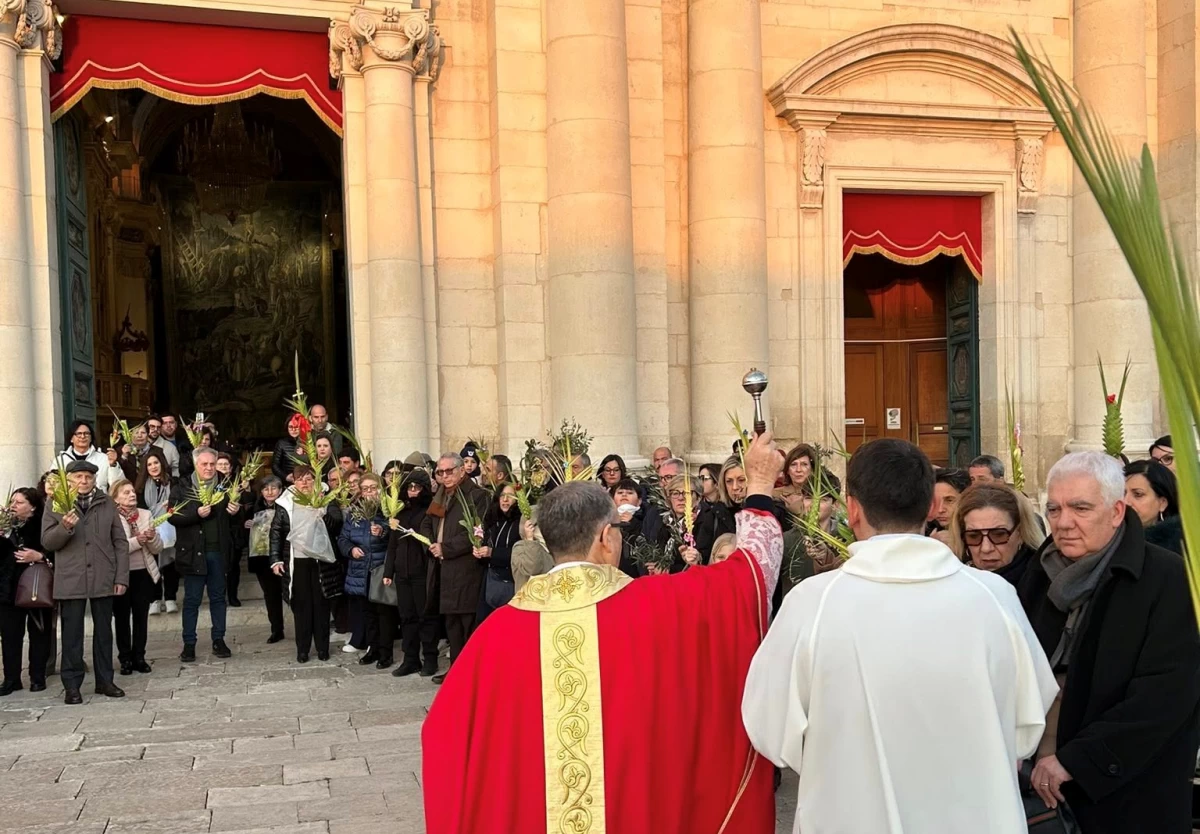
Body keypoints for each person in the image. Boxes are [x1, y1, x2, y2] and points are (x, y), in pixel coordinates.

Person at [423, 431, 784, 833]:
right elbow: (750, 578)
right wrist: (760, 486)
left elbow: (442, 737)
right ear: (605, 539)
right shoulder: (659, 607)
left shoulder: (494, 634)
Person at [743, 438, 1056, 834]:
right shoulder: (995, 598)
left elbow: (769, 728)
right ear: (930, 508)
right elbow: (1029, 720)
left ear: (852, 509)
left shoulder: (812, 605)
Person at [1019, 451, 1200, 833]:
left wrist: (1078, 761)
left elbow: (1166, 696)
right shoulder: (1038, 573)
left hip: (1129, 797)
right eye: (1054, 509)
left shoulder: (1168, 577)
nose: (1063, 522)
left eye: (1080, 508)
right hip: (1041, 794)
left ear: (1117, 512)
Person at [41, 460, 131, 704]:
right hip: (71, 577)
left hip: (103, 575)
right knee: (72, 635)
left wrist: (121, 576)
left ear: (94, 479)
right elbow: (47, 542)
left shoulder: (107, 502)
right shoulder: (55, 503)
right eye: (78, 477)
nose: (83, 481)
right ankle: (72, 686)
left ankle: (105, 681)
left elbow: (120, 542)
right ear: (69, 480)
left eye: (88, 477)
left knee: (104, 633)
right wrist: (64, 527)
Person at [419, 453, 490, 684]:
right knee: (451, 623)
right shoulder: (441, 494)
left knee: (467, 623)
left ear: (462, 470)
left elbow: (476, 532)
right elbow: (427, 522)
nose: (445, 476)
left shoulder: (477, 495)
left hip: (465, 568)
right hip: (442, 567)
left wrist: (446, 548)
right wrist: (432, 544)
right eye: (440, 472)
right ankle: (456, 671)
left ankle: (472, 674)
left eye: (449, 471)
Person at [270, 465, 344, 662]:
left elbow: (337, 524)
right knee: (301, 606)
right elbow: (276, 531)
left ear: (316, 480)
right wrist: (275, 559)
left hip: (321, 561)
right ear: (293, 481)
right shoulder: (285, 502)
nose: (304, 483)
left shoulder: (326, 498)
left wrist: (322, 512)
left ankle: (323, 648)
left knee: (321, 605)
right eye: (300, 479)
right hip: (297, 561)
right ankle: (302, 649)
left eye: (309, 479)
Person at [171, 447, 238, 663]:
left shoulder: (225, 485)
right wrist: (195, 513)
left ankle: (219, 639)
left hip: (218, 551)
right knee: (192, 600)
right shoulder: (182, 486)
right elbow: (172, 516)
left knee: (218, 598)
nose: (209, 468)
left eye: (212, 464)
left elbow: (237, 518)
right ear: (195, 464)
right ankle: (189, 644)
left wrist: (236, 511)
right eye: (204, 464)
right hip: (193, 552)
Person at [383, 469, 437, 677]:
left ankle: (430, 658)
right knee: (406, 617)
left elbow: (430, 539)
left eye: (417, 487)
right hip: (403, 573)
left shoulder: (430, 511)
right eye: (410, 487)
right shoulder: (400, 511)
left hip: (421, 571)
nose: (413, 491)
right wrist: (389, 571)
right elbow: (393, 544)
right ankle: (411, 659)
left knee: (426, 616)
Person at [109, 479, 162, 675]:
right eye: (126, 492)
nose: (132, 495)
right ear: (115, 498)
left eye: (132, 491)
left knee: (141, 617)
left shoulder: (146, 514)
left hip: (143, 572)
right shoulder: (111, 517)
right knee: (122, 618)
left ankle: (139, 656)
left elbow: (157, 548)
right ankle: (125, 658)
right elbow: (116, 548)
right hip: (120, 575)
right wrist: (137, 541)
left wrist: (152, 538)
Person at [0, 488, 50, 694]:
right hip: (8, 587)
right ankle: (11, 679)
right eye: (12, 502)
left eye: (19, 502)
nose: (13, 506)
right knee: (10, 635)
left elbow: (56, 549)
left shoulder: (43, 525)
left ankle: (37, 677)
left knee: (39, 632)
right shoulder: (5, 525)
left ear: (33, 507)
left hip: (35, 586)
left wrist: (39, 556)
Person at [338, 472, 391, 666]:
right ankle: (372, 648)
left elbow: (395, 536)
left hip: (380, 568)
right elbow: (343, 539)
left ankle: (385, 653)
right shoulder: (354, 513)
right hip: (360, 569)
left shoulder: (388, 509)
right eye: (365, 489)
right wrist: (351, 550)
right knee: (367, 612)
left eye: (373, 488)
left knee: (383, 613)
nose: (369, 492)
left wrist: (383, 531)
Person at [948, 483, 1044, 586]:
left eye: (998, 535)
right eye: (974, 536)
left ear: (1020, 533)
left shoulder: (1045, 582)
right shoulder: (953, 583)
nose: (986, 548)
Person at [136, 447, 179, 615]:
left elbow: (181, 502)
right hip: (150, 529)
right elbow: (140, 509)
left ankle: (170, 598)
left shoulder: (174, 482)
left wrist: (171, 505)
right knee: (152, 564)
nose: (153, 467)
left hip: (171, 527)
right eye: (149, 464)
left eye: (156, 463)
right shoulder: (140, 487)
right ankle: (154, 599)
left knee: (170, 563)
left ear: (162, 463)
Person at [474, 483, 522, 623]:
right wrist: (480, 553)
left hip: (511, 582)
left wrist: (492, 553)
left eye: (510, 496)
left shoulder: (520, 523)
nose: (505, 500)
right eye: (502, 496)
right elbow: (487, 549)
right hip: (491, 582)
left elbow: (520, 554)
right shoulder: (493, 521)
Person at [247, 476, 286, 643]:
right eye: (265, 489)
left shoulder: (287, 506)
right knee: (271, 595)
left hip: (283, 556)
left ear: (280, 490)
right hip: (261, 557)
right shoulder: (254, 508)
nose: (270, 492)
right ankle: (277, 629)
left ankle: (304, 627)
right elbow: (243, 529)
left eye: (274, 488)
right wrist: (247, 524)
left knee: (292, 593)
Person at [1123, 458, 1182, 554]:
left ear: (1162, 503)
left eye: (1138, 494)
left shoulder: (1185, 549)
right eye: (1122, 493)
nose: (1126, 501)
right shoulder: (1103, 541)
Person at [57, 420, 114, 492]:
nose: (83, 436)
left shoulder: (103, 458)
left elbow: (117, 484)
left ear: (91, 438)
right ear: (71, 438)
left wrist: (113, 465)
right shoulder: (61, 460)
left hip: (98, 498)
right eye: (79, 433)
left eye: (86, 433)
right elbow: (53, 485)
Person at [927, 467, 970, 541]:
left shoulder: (979, 532)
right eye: (935, 501)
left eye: (949, 500)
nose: (940, 510)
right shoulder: (923, 532)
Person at [156, 414, 194, 479]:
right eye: (165, 423)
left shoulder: (186, 441)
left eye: (171, 422)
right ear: (160, 426)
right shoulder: (157, 444)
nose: (168, 425)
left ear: (176, 424)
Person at [272, 416, 302, 484]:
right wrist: (286, 477)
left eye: (296, 427)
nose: (293, 430)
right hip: (287, 482)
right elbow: (275, 466)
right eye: (291, 427)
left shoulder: (308, 443)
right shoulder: (281, 443)